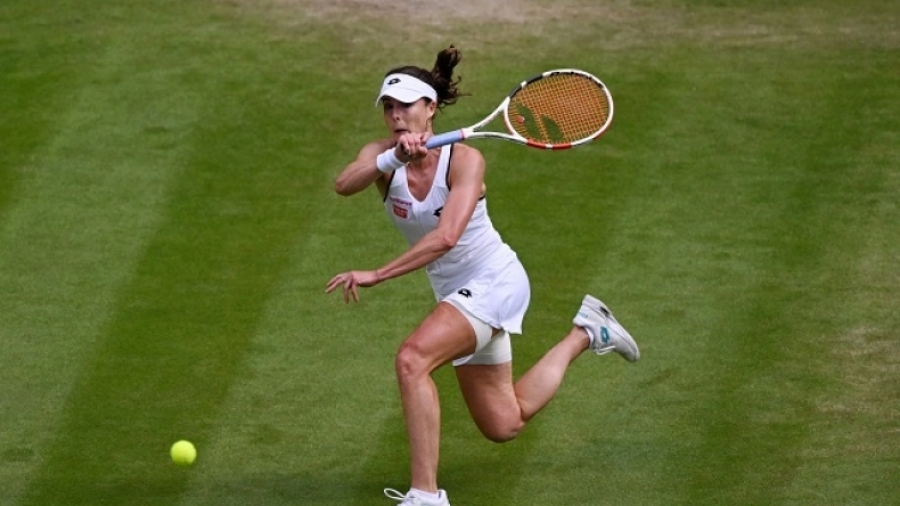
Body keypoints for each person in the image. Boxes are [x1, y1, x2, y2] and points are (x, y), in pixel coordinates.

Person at [325, 45, 640, 506]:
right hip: (457, 294)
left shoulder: (465, 160)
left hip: (496, 282)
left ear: (430, 108)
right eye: (388, 107)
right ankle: (588, 331)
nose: (395, 116)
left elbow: (446, 237)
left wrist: (378, 273)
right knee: (504, 423)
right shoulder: (379, 155)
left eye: (405, 105)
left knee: (412, 360)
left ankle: (425, 496)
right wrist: (392, 160)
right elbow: (343, 184)